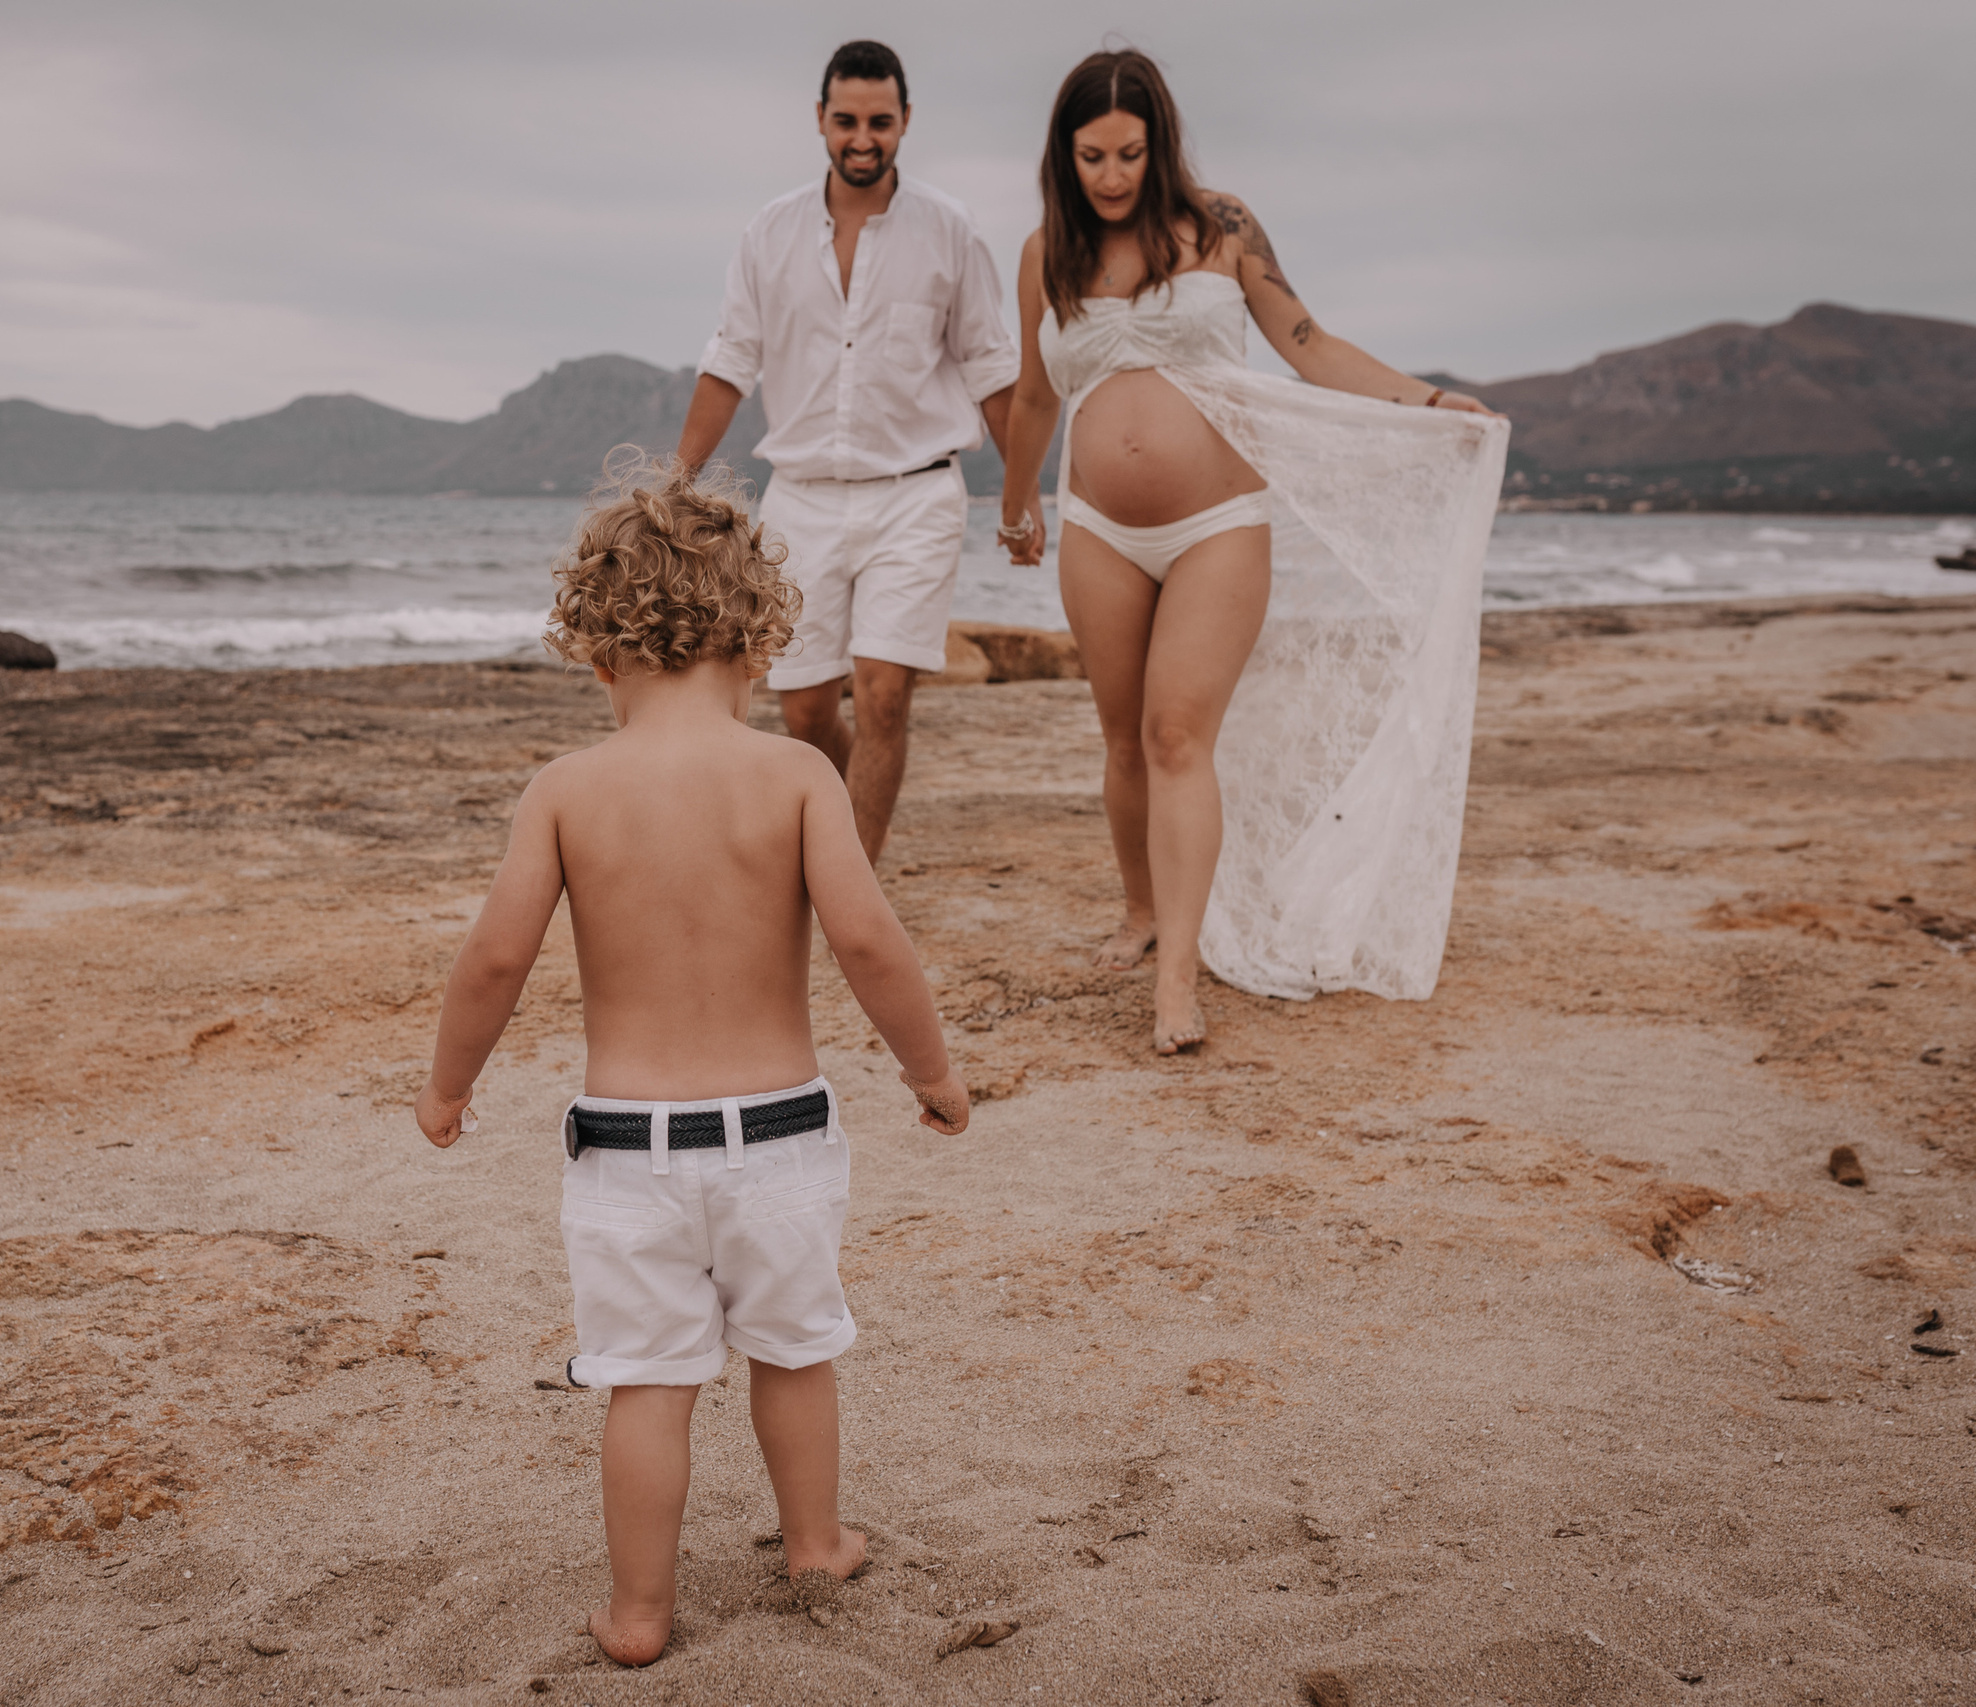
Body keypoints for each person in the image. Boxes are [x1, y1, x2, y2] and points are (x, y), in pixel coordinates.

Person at [411, 464, 971, 1667]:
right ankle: (813, 1541)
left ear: (597, 650)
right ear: (758, 645)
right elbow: (869, 939)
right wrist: (931, 1071)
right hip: (780, 1139)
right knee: (793, 1349)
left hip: (628, 1157)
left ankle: (638, 1614)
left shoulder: (566, 790)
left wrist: (449, 1085)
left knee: (648, 1384)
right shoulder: (795, 775)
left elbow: (494, 958)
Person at [997, 48, 1510, 1051]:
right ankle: (1141, 910)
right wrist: (1017, 506)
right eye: (1091, 156)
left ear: (1161, 146)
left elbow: (1309, 344)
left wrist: (1429, 400)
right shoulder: (1043, 252)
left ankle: (1177, 979)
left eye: (1130, 154)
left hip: (1214, 526)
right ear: (1062, 156)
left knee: (1176, 735)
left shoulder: (1220, 229)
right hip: (1098, 528)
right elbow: (1031, 395)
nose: (1110, 176)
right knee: (1122, 739)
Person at [675, 38, 1021, 864]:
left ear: (905, 122)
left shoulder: (950, 231)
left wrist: (1024, 492)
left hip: (918, 493)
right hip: (803, 496)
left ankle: (851, 877)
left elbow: (990, 366)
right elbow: (731, 361)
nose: (862, 137)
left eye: (880, 121)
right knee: (800, 709)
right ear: (820, 121)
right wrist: (676, 481)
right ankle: (837, 826)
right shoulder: (770, 232)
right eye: (846, 121)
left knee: (886, 696)